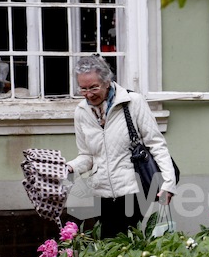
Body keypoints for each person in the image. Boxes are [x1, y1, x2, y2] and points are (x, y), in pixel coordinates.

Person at [66, 55, 177, 239]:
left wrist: (168, 183)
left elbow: (156, 144)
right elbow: (87, 156)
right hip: (102, 193)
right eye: (83, 89)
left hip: (134, 189)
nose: (89, 94)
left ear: (107, 81)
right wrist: (69, 167)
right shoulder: (81, 112)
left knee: (126, 243)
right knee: (111, 246)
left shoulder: (132, 102)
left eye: (94, 87)